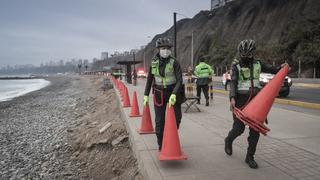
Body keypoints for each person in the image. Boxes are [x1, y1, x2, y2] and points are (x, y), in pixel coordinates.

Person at [224, 39, 289, 169]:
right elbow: (233, 83)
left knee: (255, 130)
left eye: (248, 55)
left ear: (253, 53)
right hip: (241, 100)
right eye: (243, 54)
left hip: (256, 100)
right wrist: (232, 98)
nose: (245, 57)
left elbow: (273, 69)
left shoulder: (259, 63)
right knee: (239, 129)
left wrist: (281, 68)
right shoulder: (236, 66)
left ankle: (250, 157)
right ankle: (228, 140)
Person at [143, 37, 183, 151]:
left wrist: (174, 94)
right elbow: (150, 79)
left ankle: (170, 136)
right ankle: (161, 145)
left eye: (168, 48)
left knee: (177, 119)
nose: (166, 50)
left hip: (173, 93)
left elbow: (180, 80)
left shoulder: (174, 62)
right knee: (159, 121)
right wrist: (145, 95)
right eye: (163, 48)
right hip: (159, 94)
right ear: (158, 49)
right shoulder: (153, 63)